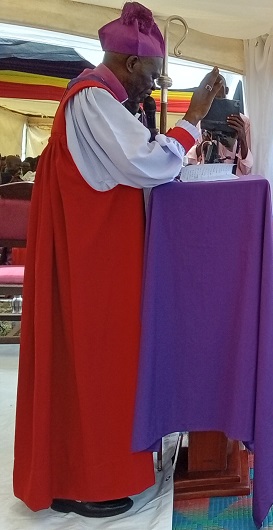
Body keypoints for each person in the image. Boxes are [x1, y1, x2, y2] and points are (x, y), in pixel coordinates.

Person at [13, 2, 222, 518]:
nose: (154, 84)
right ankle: (90, 479)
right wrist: (193, 117)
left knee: (90, 361)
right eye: (152, 74)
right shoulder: (92, 98)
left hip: (97, 250)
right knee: (100, 362)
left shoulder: (99, 98)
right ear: (130, 65)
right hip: (94, 259)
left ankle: (72, 472)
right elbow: (146, 160)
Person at [186, 77, 252, 175]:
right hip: (206, 179)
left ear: (227, 90)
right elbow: (190, 161)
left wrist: (242, 139)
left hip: (231, 184)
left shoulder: (243, 123)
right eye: (211, 98)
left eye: (218, 98)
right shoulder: (200, 121)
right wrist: (204, 144)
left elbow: (246, 169)